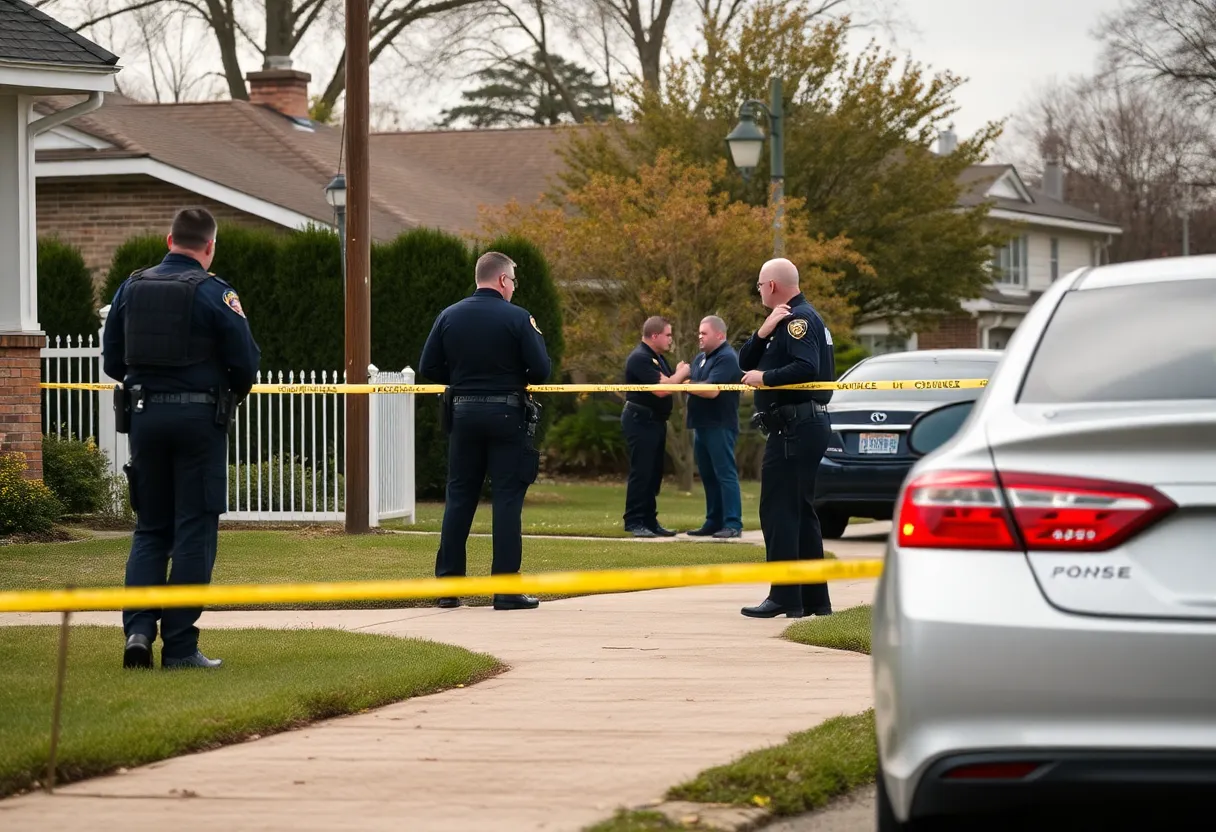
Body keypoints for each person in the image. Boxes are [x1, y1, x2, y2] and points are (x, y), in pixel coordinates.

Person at [102, 207, 261, 670]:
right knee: (194, 527)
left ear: (169, 239)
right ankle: (179, 647)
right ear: (209, 247)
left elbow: (114, 359)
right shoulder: (216, 292)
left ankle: (136, 630)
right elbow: (246, 363)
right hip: (198, 422)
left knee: (151, 527)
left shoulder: (131, 287)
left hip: (145, 418)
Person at [420, 251, 551, 611]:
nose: (514, 288)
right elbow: (541, 370)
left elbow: (428, 365)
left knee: (459, 497)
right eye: (514, 281)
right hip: (506, 414)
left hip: (463, 413)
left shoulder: (449, 315)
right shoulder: (518, 317)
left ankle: (447, 587)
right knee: (507, 499)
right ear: (503, 280)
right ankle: (505, 590)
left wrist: (463, 379)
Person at [737, 258, 835, 619]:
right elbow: (744, 360)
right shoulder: (785, 318)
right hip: (799, 427)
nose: (759, 291)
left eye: (760, 285)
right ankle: (813, 600)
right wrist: (762, 332)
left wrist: (766, 378)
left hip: (795, 427)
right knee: (799, 512)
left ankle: (785, 597)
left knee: (779, 511)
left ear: (773, 285)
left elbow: (806, 367)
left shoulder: (798, 320)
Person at [620, 316, 690, 537]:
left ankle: (649, 520)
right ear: (654, 335)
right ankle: (634, 521)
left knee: (653, 472)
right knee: (642, 471)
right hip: (640, 419)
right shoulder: (640, 358)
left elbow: (667, 383)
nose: (671, 340)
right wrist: (681, 373)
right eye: (668, 335)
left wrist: (671, 378)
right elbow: (662, 389)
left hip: (655, 421)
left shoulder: (656, 358)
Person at [683, 315, 744, 539]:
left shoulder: (727, 358)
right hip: (701, 425)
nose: (700, 336)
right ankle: (713, 521)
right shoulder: (700, 358)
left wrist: (686, 384)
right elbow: (700, 385)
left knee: (725, 474)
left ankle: (732, 523)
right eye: (699, 332)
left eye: (704, 333)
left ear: (720, 335)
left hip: (720, 424)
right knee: (708, 475)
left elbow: (711, 390)